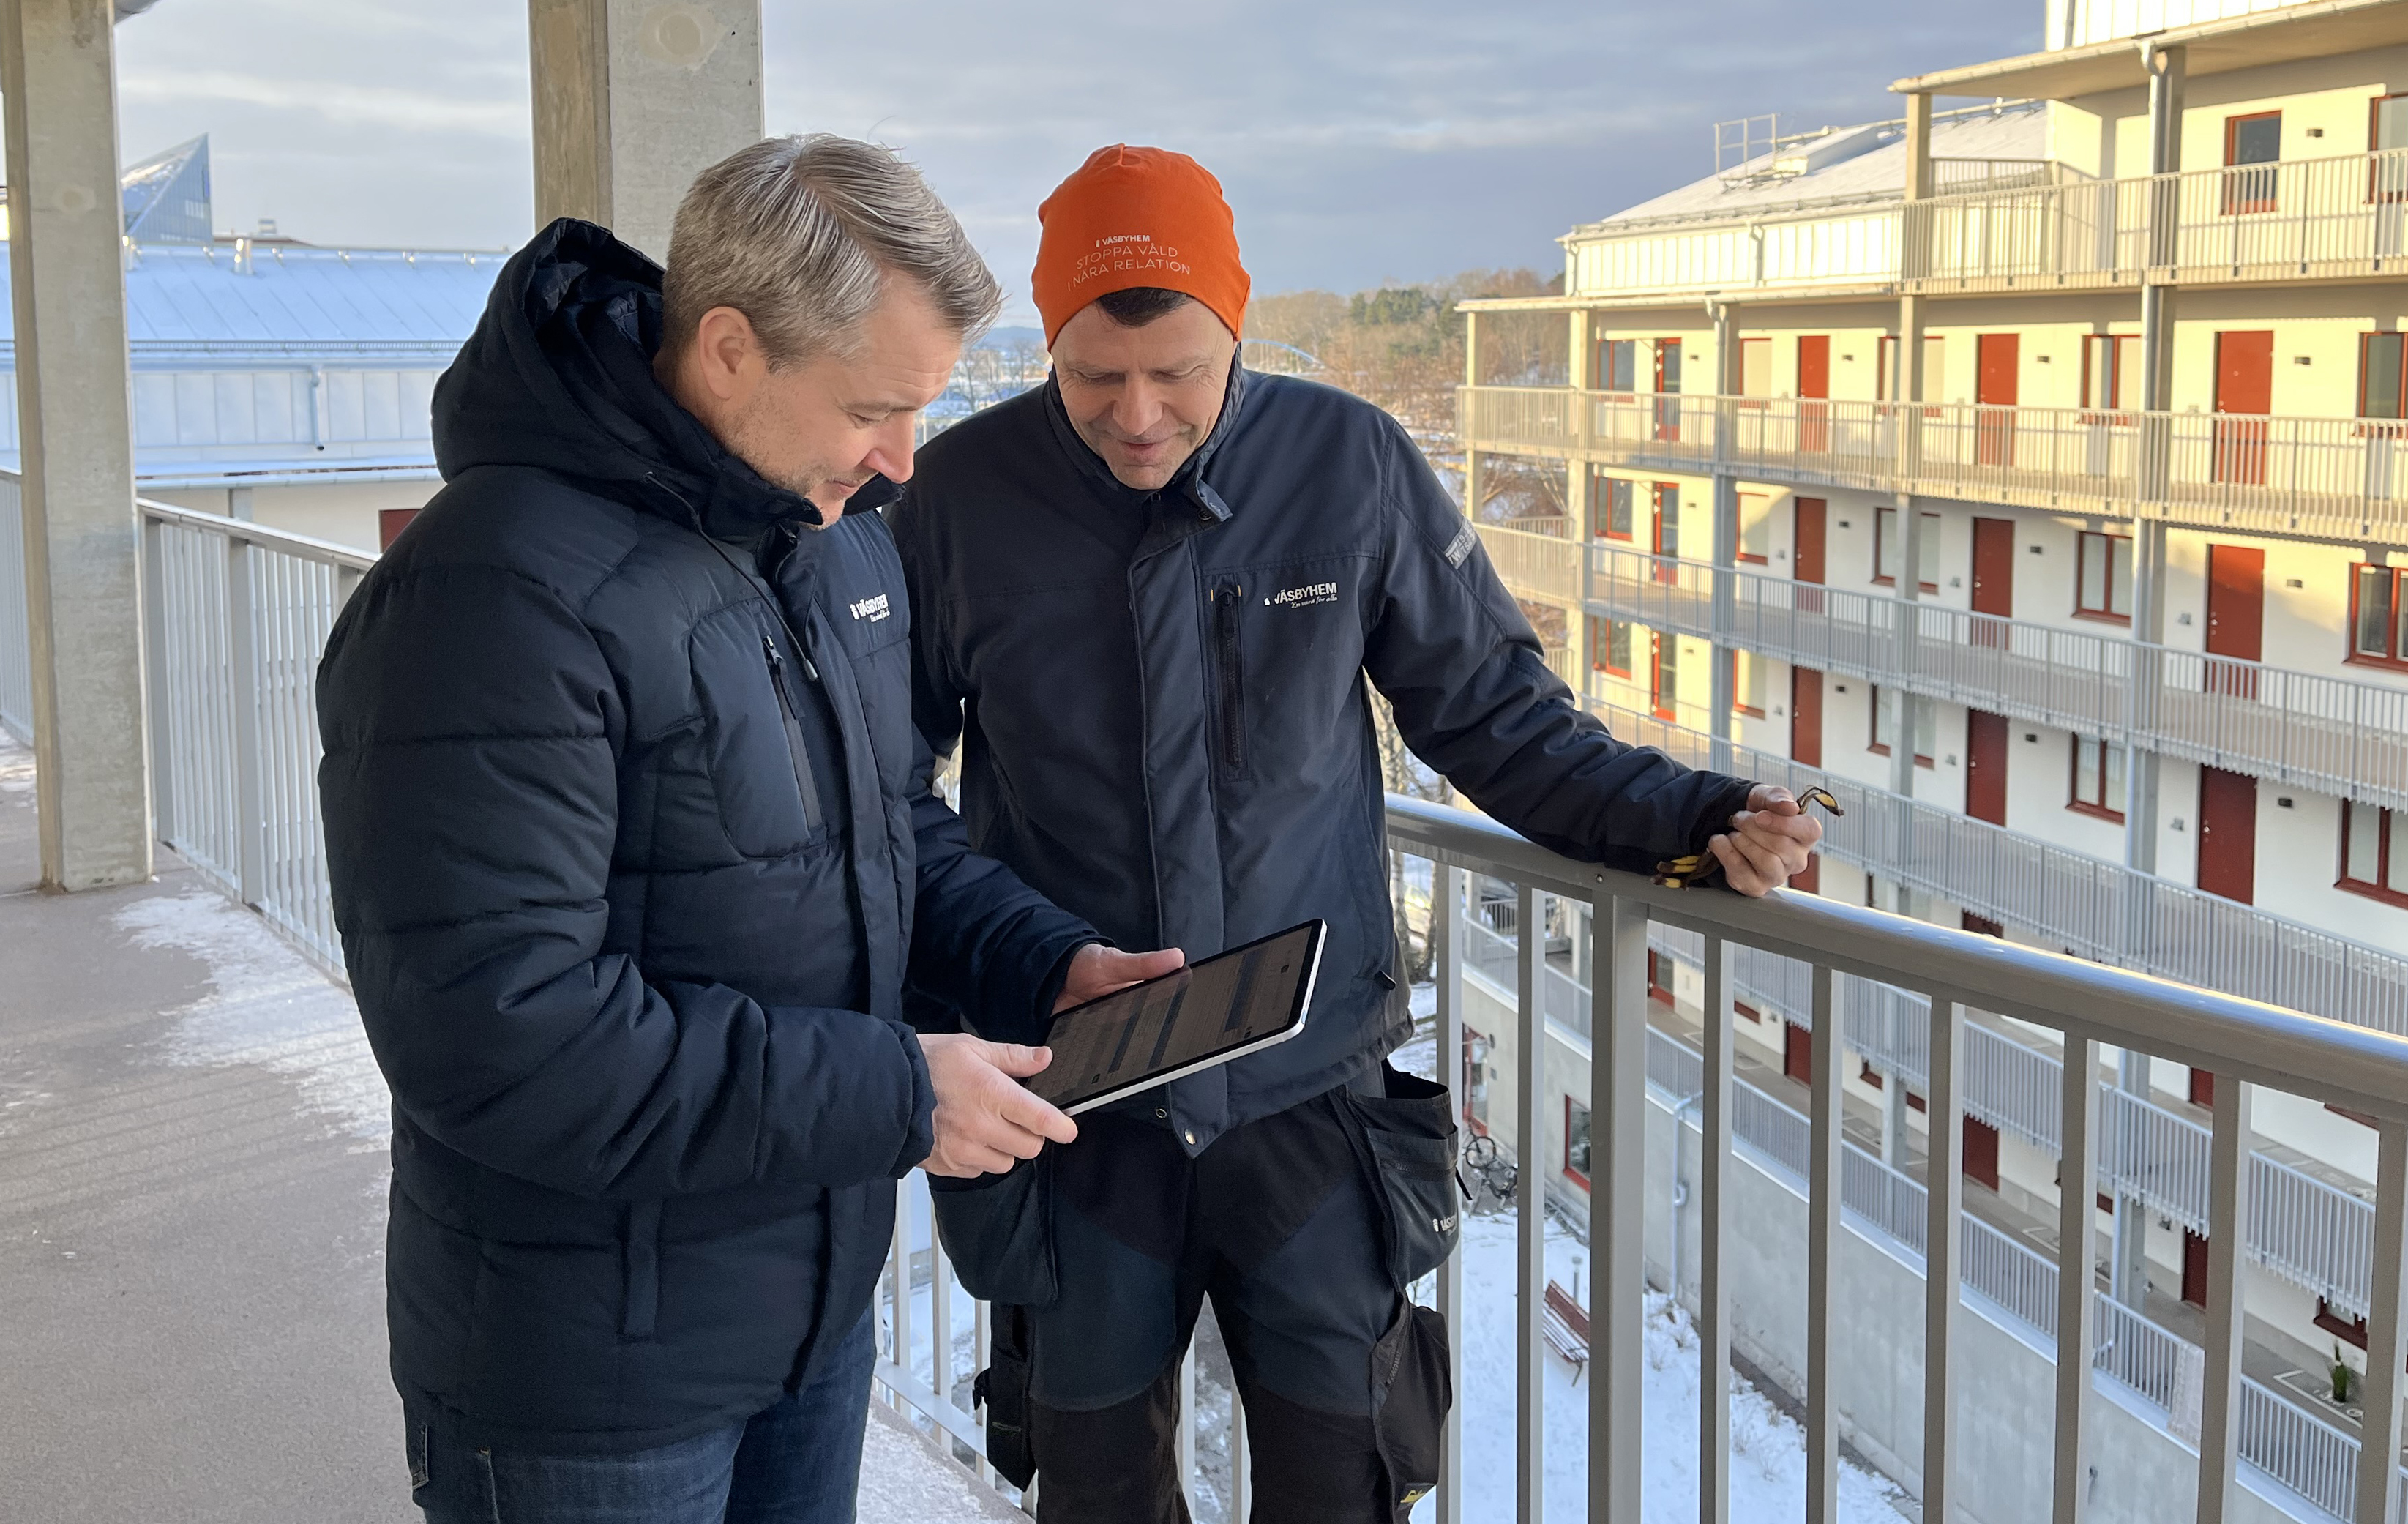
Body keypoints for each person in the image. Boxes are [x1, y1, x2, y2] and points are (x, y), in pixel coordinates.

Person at [891, 144, 1822, 1523]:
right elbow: (886, 791)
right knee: (1093, 1491)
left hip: (1309, 1088)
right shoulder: (957, 498)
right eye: (1094, 377)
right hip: (1074, 1092)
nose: (1138, 416)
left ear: (1238, 330)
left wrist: (1693, 821)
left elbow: (1498, 718)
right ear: (1048, 343)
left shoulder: (1349, 463)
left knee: (1343, 1485)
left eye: (1179, 374)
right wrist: (1018, 960)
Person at [316, 135, 1176, 1524]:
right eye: (875, 411)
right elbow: (501, 1034)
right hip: (589, 1377)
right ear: (728, 351)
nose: (903, 462)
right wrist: (900, 1092)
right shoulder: (491, 596)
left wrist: (1047, 963)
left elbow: (886, 825)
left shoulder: (821, 537)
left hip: (806, 1316)